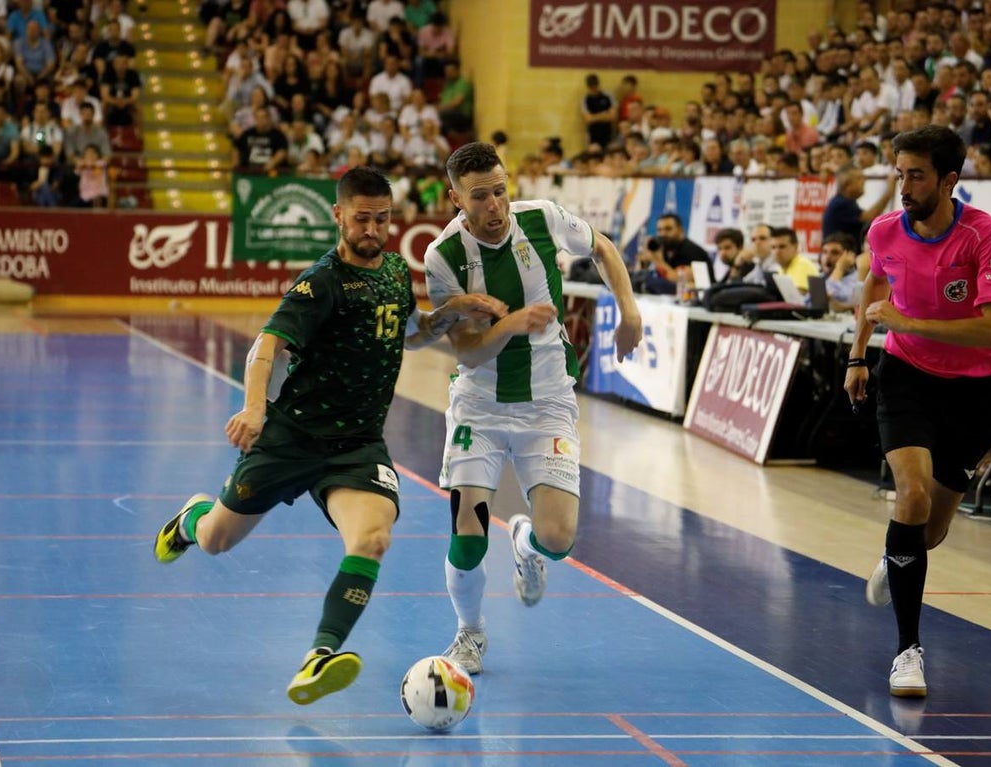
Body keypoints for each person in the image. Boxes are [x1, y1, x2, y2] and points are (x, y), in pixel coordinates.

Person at [153, 167, 507, 705]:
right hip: (292, 437)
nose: (372, 229)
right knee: (216, 540)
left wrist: (451, 312)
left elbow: (410, 333)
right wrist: (254, 408)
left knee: (373, 538)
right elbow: (267, 346)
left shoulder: (395, 271)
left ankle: (320, 654)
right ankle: (191, 517)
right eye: (362, 219)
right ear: (339, 215)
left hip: (357, 446)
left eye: (382, 219)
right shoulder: (320, 283)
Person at [422, 141, 642, 675]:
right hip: (479, 408)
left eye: (500, 191)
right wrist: (510, 324)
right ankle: (470, 633)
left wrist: (629, 310)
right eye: (479, 197)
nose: (494, 206)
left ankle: (525, 543)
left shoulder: (542, 218)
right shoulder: (443, 257)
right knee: (468, 535)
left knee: (558, 540)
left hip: (548, 404)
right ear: (455, 199)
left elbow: (603, 247)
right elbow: (468, 352)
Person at [845, 125, 991, 698]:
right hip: (906, 379)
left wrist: (909, 321)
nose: (904, 186)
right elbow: (874, 284)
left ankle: (896, 552)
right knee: (911, 496)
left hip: (974, 394)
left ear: (948, 180)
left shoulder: (984, 236)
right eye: (900, 174)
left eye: (916, 176)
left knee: (930, 530)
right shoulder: (885, 230)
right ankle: (908, 651)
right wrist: (858, 355)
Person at [821, 166, 897, 252]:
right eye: (859, 178)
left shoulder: (844, 202)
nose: (864, 181)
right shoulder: (841, 204)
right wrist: (888, 193)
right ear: (847, 185)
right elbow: (869, 216)